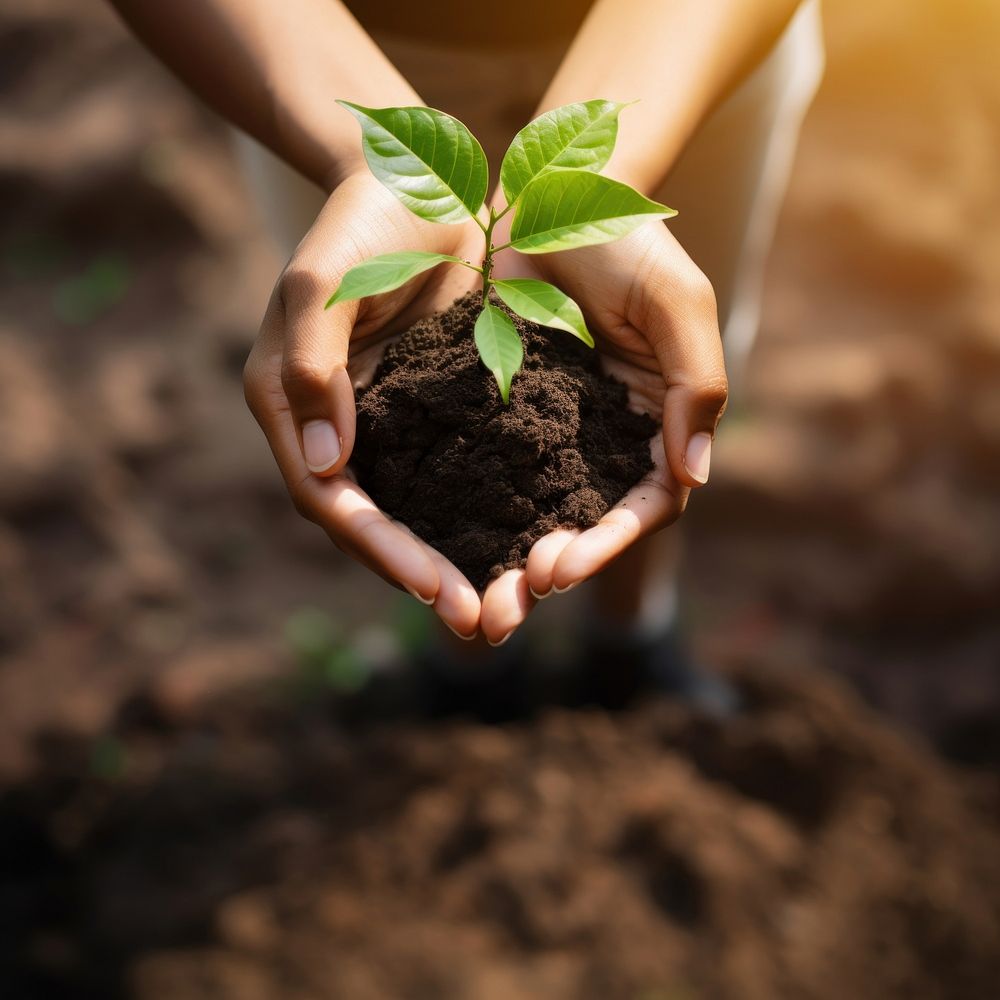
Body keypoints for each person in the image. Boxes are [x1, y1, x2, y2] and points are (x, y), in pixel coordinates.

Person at [109, 0, 823, 707]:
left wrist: (612, 165)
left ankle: (631, 635)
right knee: (366, 372)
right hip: (325, 59)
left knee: (662, 367)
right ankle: (471, 669)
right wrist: (364, 164)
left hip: (697, 43)